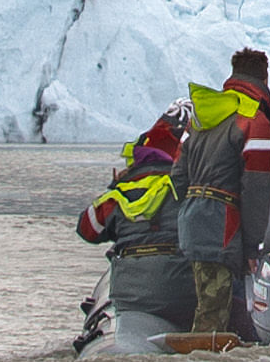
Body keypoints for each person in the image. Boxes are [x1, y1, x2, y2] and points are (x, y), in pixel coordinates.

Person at [168, 44, 270, 339]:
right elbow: (258, 187)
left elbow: (178, 175)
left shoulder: (202, 116)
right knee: (213, 313)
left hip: (194, 220)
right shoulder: (254, 120)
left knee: (212, 303)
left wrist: (190, 213)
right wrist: (252, 246)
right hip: (223, 226)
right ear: (264, 80)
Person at [80, 108, 195, 334]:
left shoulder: (119, 195)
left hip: (131, 298)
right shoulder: (191, 189)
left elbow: (87, 229)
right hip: (184, 293)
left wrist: (115, 186)